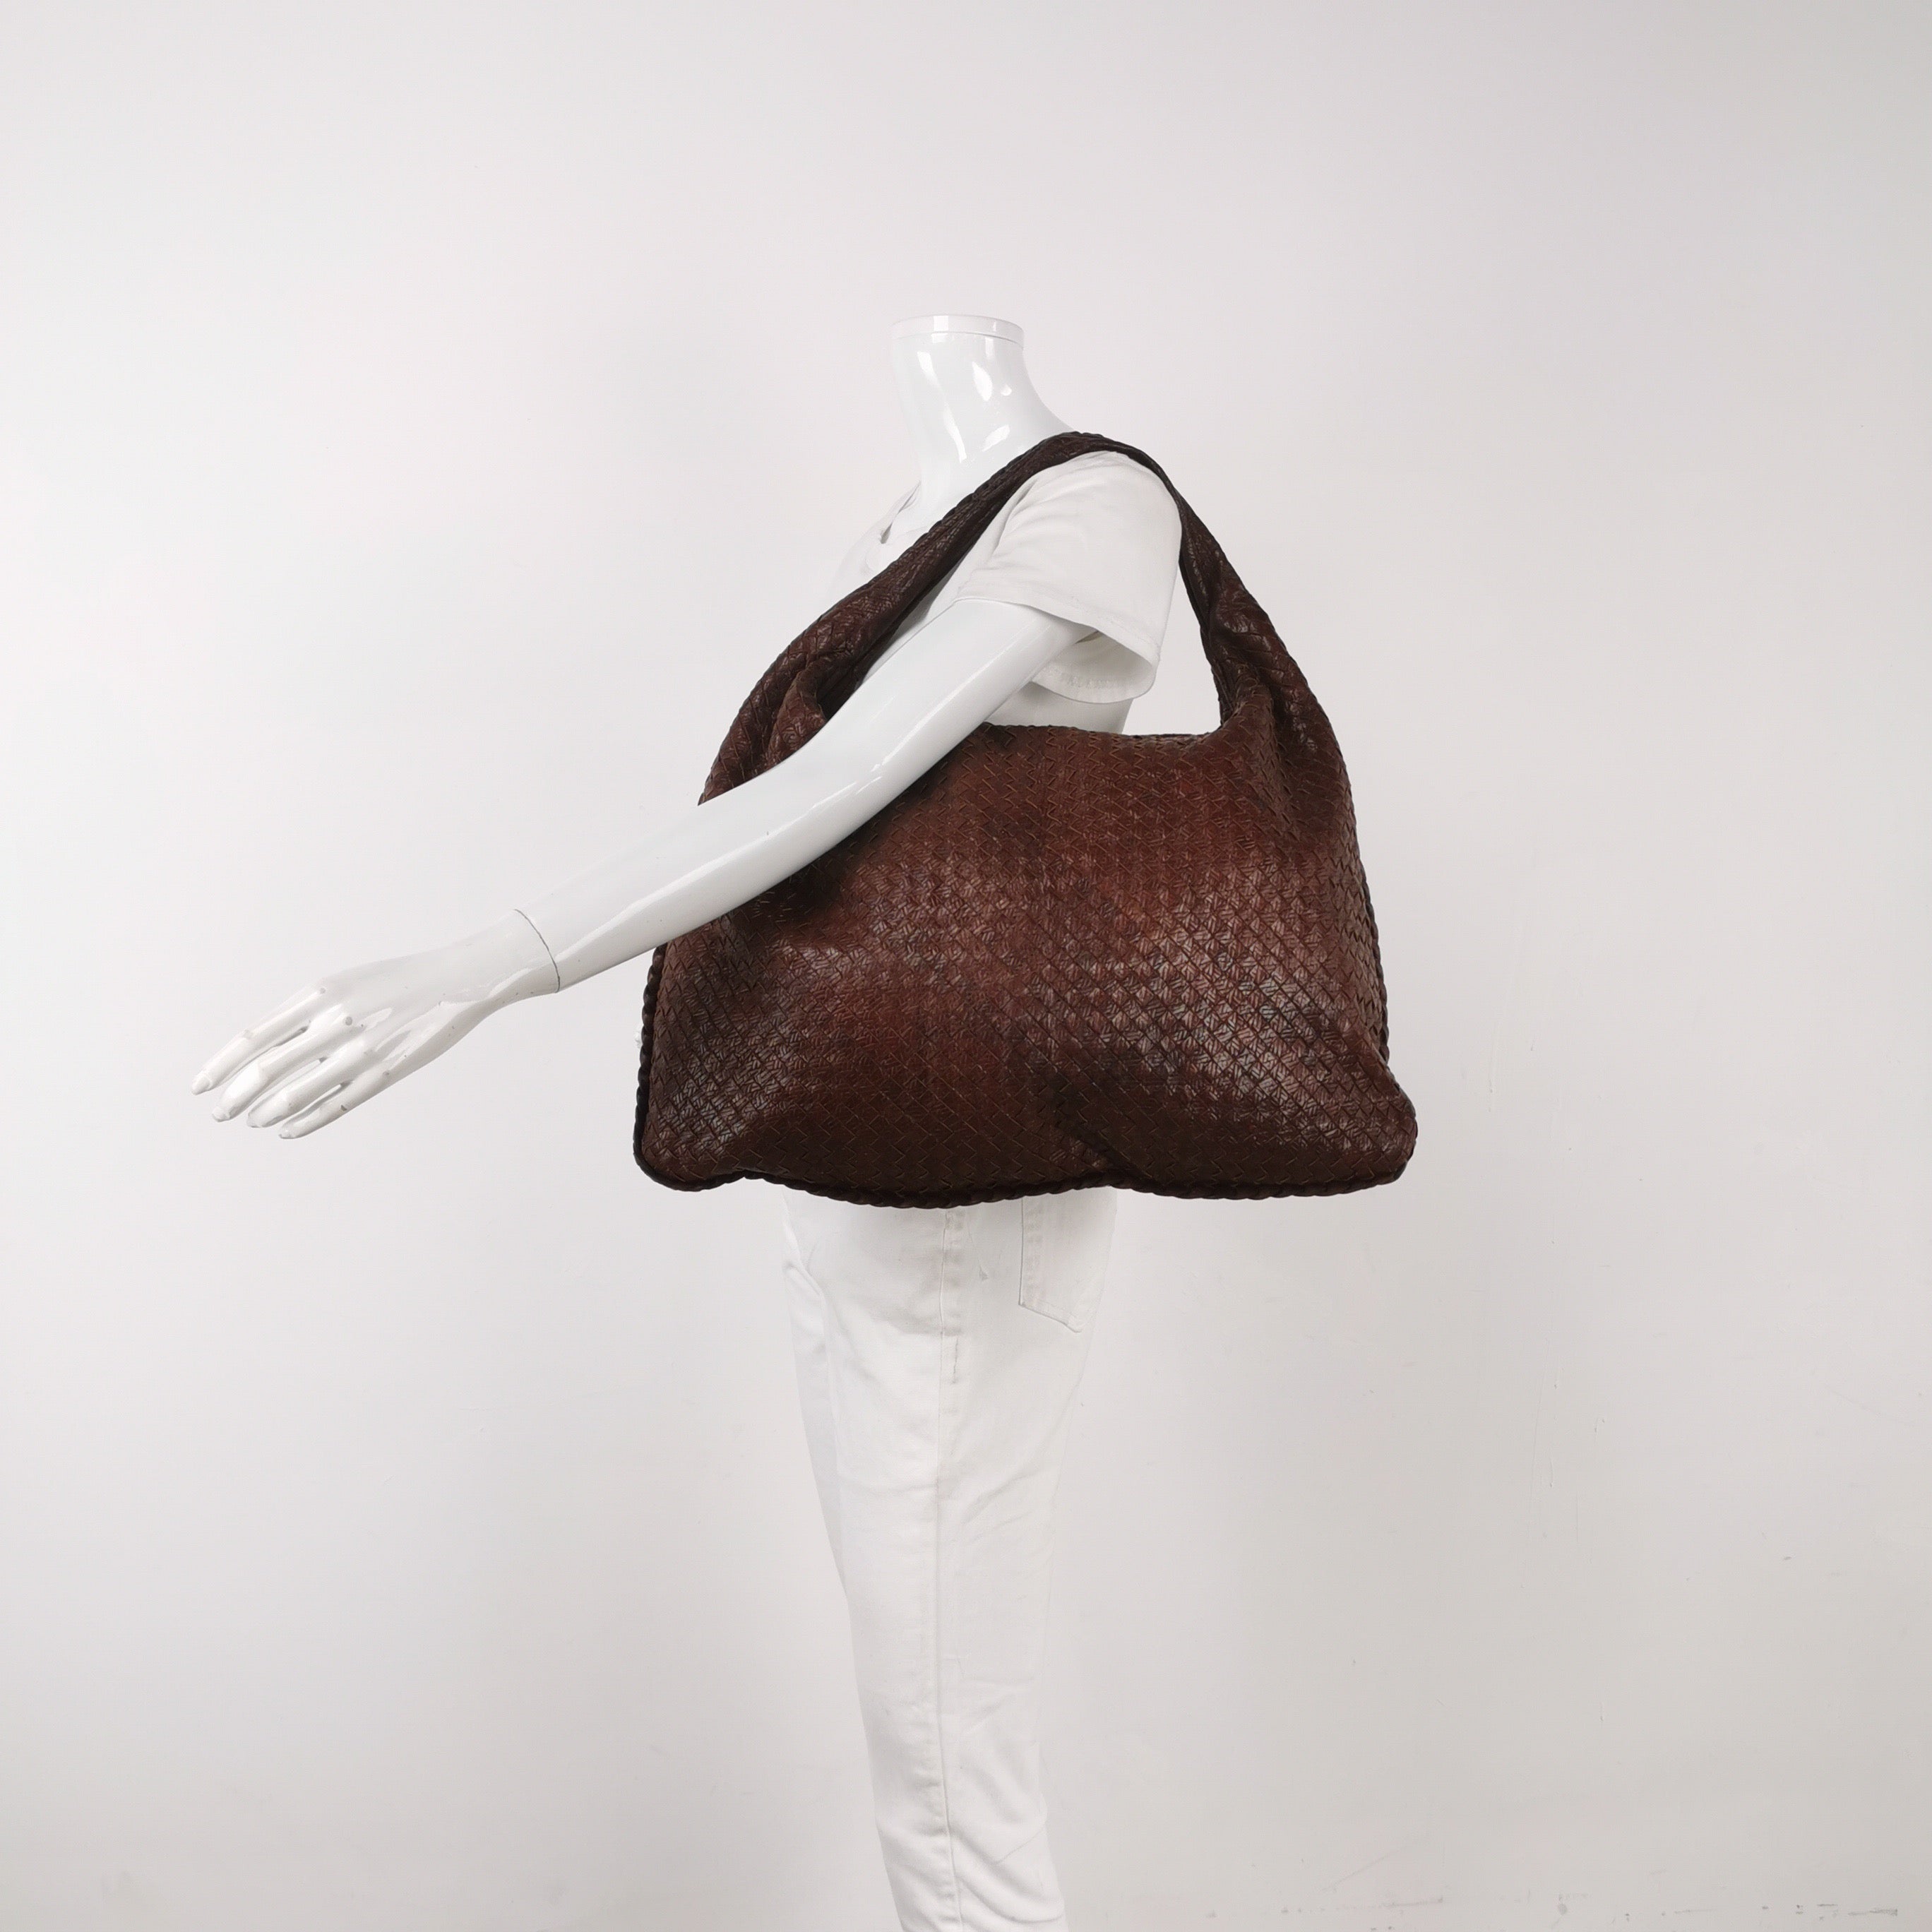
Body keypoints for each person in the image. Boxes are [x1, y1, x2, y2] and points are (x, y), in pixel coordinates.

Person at [193, 314, 1184, 1932]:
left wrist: (497, 960)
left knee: (950, 1754)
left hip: (971, 1176)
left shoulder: (1088, 502)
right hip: (863, 1158)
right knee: (921, 1729)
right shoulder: (917, 511)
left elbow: (841, 779)